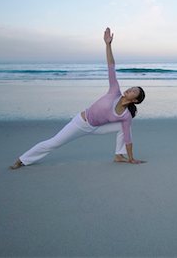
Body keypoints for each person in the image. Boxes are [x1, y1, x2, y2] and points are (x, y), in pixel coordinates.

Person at [10, 27, 146, 169]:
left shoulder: (126, 116)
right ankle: (23, 160)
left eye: (133, 91)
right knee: (54, 142)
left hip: (97, 128)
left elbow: (128, 139)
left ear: (135, 100)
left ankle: (119, 155)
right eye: (131, 88)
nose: (130, 89)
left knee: (125, 128)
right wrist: (108, 45)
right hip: (81, 122)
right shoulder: (114, 90)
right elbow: (111, 66)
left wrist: (131, 159)